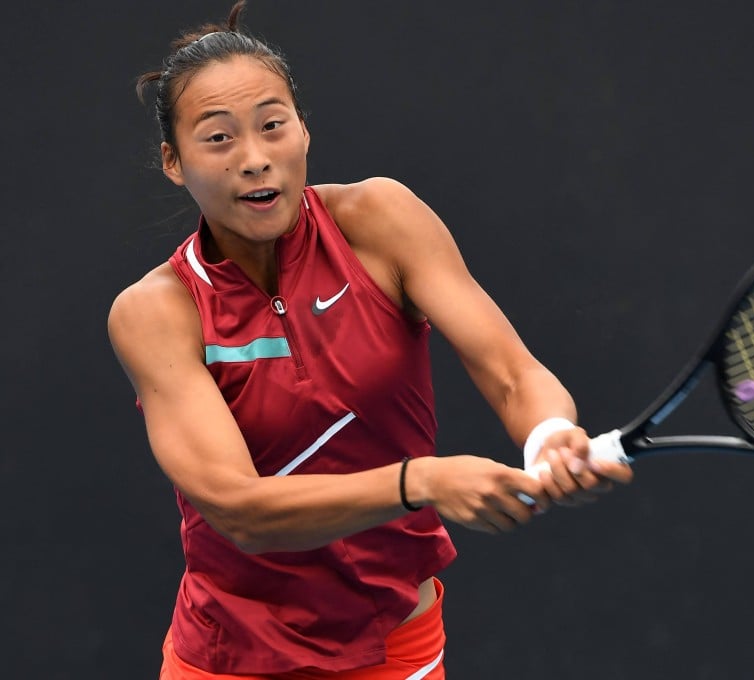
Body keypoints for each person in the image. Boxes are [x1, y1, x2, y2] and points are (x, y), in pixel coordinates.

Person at [109, 2, 633, 678]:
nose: (255, 159)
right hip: (230, 660)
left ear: (303, 130)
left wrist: (547, 436)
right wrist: (422, 480)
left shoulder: (381, 221)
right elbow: (242, 510)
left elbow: (511, 371)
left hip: (397, 647)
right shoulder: (157, 312)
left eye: (273, 126)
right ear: (173, 162)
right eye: (218, 139)